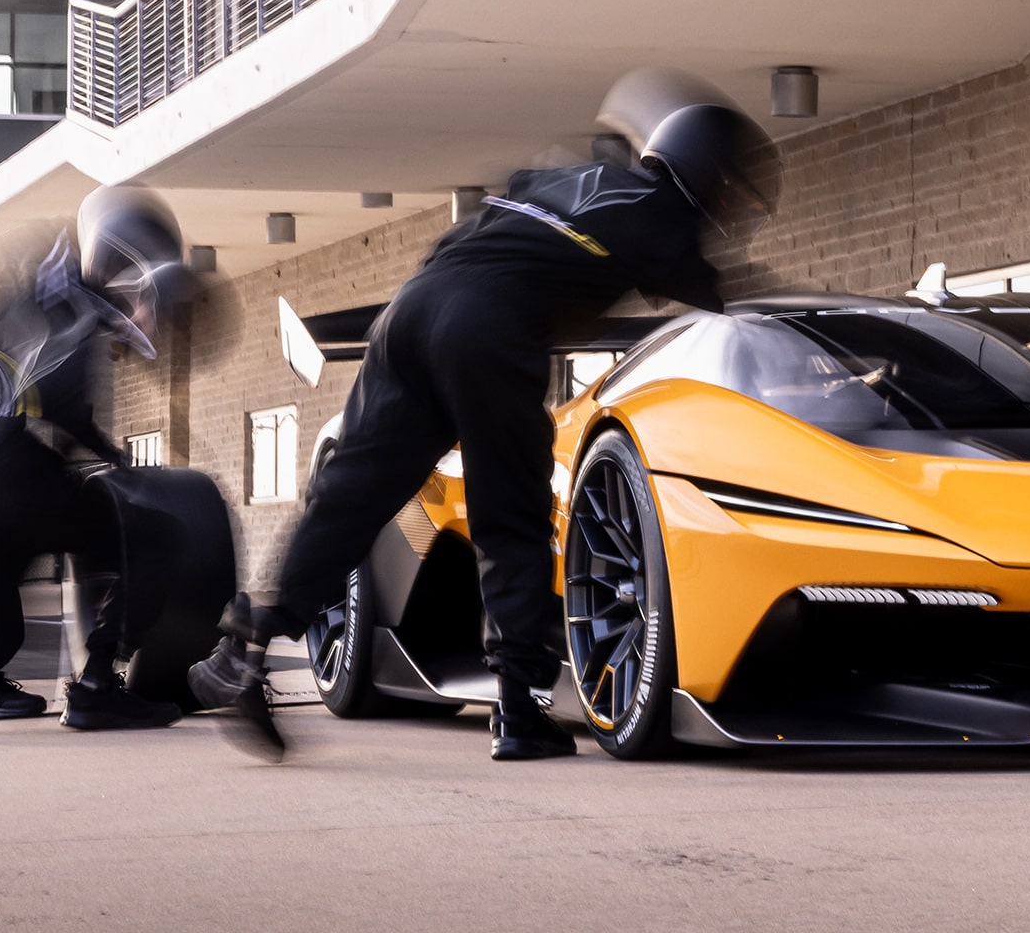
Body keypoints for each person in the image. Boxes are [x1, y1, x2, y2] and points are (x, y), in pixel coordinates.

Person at [188, 72, 780, 761]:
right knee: (513, 514)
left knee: (349, 498)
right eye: (729, 188)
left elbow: (475, 245)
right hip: (489, 325)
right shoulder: (661, 210)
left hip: (409, 314)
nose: (727, 205)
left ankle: (247, 644)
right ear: (704, 173)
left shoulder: (562, 181)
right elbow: (723, 298)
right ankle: (521, 708)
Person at [0, 186, 192, 728]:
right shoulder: (70, 301)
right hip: (13, 489)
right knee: (157, 537)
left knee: (6, 628)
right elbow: (65, 408)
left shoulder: (37, 294)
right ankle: (97, 685)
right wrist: (116, 464)